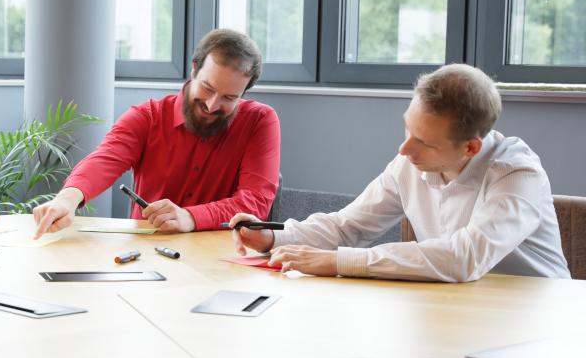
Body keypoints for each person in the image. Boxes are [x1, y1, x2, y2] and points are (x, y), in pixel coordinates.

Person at [230, 64, 570, 283]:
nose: (404, 151)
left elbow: (463, 258)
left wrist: (339, 261)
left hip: (537, 322)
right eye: (408, 130)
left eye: (424, 142)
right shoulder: (410, 162)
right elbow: (350, 225)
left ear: (470, 148)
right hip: (456, 308)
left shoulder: (516, 173)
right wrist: (275, 237)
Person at [33, 29, 280, 237]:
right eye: (207, 88)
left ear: (245, 92)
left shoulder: (260, 121)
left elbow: (255, 202)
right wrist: (67, 199)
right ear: (194, 70)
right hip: (146, 253)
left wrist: (191, 217)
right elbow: (105, 158)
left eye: (229, 98)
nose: (213, 105)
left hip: (221, 255)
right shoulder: (147, 117)